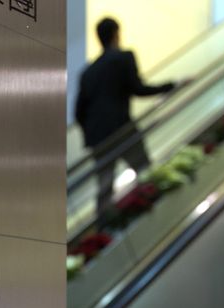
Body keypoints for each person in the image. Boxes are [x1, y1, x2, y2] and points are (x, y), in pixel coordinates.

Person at [75, 17, 179, 220]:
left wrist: (92, 133)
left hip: (98, 138)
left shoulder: (88, 72)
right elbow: (139, 89)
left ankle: (103, 229)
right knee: (144, 170)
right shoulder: (123, 57)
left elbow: (78, 112)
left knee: (104, 185)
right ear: (116, 34)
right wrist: (171, 85)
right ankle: (158, 213)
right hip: (121, 128)